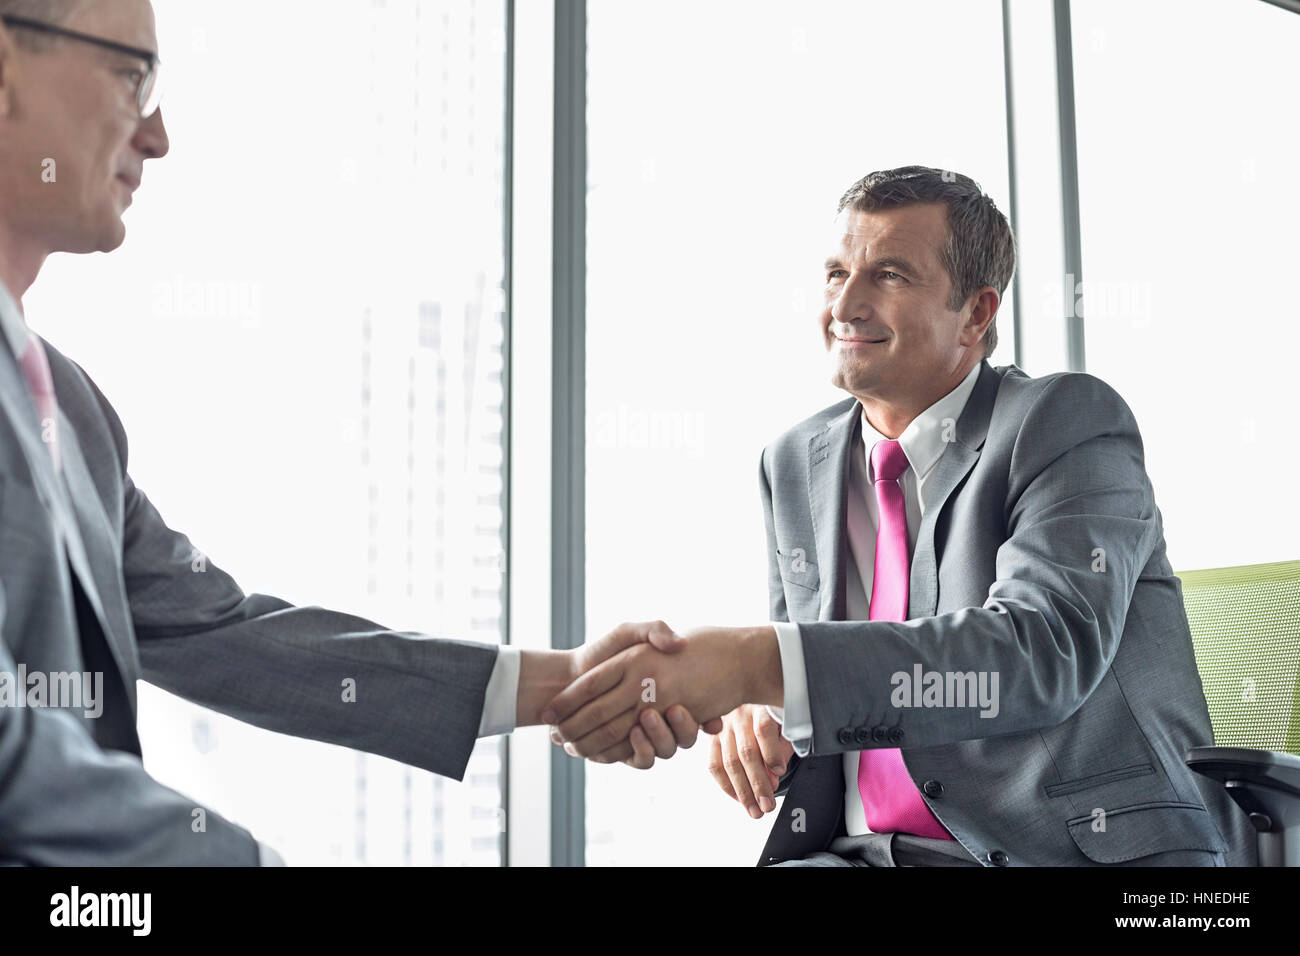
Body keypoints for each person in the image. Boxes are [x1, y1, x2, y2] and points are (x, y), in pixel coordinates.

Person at [0, 0, 707, 866]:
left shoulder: (67, 406)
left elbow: (229, 638)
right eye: (131, 75)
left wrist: (570, 683)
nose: (158, 135)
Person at [545, 166, 1259, 867]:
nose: (845, 305)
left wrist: (752, 663)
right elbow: (814, 673)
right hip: (854, 852)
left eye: (888, 275)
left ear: (976, 313)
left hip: (1052, 851)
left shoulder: (1065, 423)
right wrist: (760, 711)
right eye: (834, 273)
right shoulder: (792, 462)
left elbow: (1036, 655)